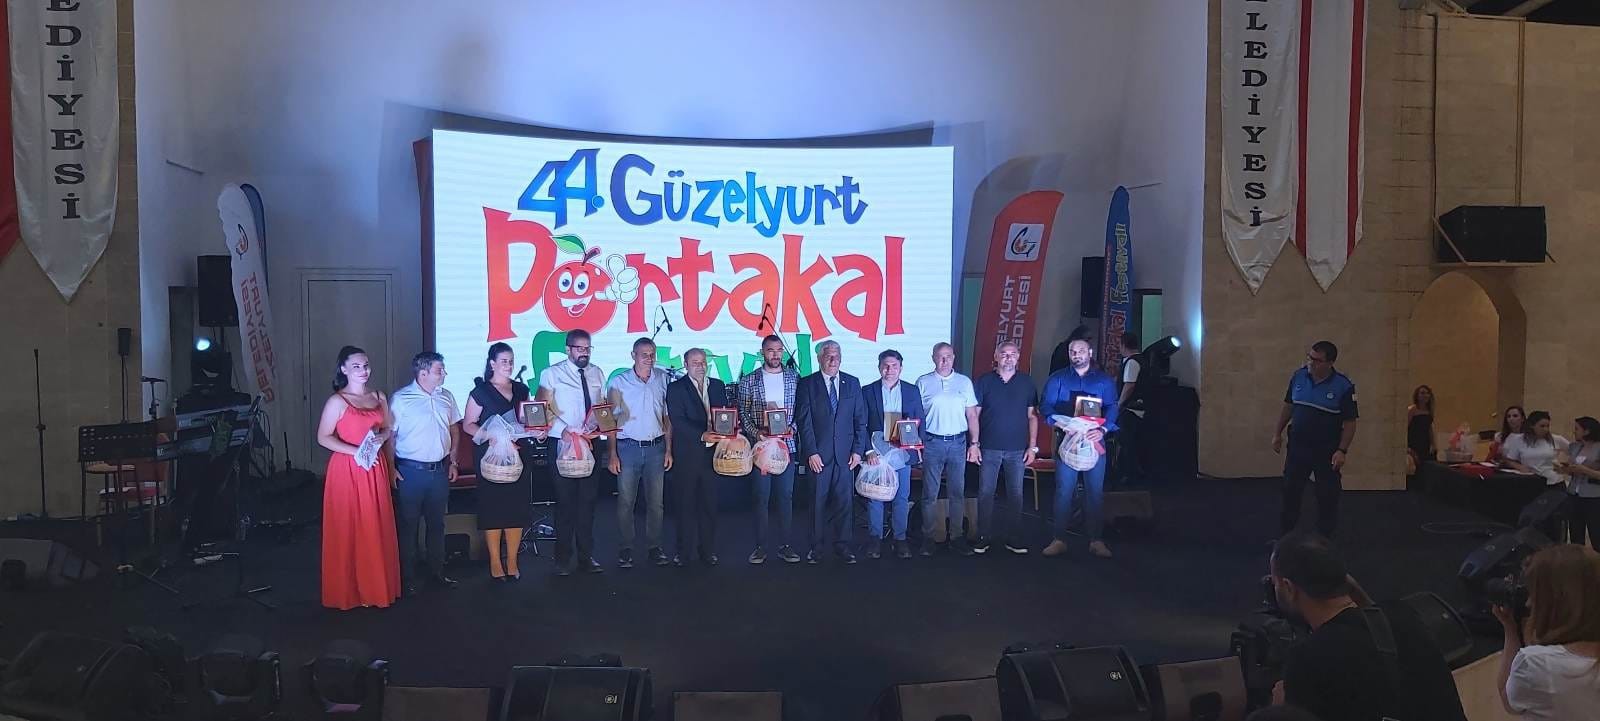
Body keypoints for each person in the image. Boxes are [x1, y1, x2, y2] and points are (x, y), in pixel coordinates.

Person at [1270, 532, 1467, 721]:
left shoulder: (1306, 660)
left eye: (1275, 583)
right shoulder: (1403, 615)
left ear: (1288, 588)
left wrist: (1282, 712)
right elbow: (1374, 626)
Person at [316, 346, 402, 610]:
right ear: (343, 369)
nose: (363, 371)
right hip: (347, 468)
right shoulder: (337, 401)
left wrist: (380, 442)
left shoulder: (378, 396)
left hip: (374, 466)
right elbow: (323, 437)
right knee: (349, 526)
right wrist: (357, 451)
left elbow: (387, 429)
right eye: (356, 366)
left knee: (374, 524)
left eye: (365, 366)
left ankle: (374, 588)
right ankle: (349, 591)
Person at [1494, 544, 1600, 720]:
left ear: (1554, 601)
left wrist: (1510, 629)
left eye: (1534, 594)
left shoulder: (1535, 664)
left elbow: (1509, 702)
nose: (1528, 603)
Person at [537, 329, 608, 576]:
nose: (584, 353)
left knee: (588, 502)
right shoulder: (552, 374)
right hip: (562, 443)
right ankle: (562, 559)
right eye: (579, 348)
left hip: (590, 442)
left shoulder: (597, 372)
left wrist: (604, 424)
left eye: (588, 348)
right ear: (568, 349)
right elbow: (541, 408)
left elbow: (601, 405)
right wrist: (562, 430)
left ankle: (586, 557)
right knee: (565, 502)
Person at [389, 351, 460, 596]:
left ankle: (436, 572)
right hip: (410, 471)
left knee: (437, 524)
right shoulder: (401, 399)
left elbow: (454, 429)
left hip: (439, 470)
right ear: (423, 373)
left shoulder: (446, 396)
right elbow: (390, 436)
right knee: (409, 525)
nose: (445, 373)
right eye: (440, 370)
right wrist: (391, 468)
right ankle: (407, 578)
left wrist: (453, 460)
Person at [1040, 337, 1119, 558]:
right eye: (1073, 351)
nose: (1077, 355)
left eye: (1081, 350)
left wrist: (1104, 429)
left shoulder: (1103, 380)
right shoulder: (1057, 378)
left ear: (1090, 352)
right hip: (1067, 440)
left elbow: (1112, 406)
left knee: (1095, 492)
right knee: (1064, 491)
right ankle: (1059, 539)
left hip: (1095, 440)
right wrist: (1059, 422)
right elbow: (1046, 406)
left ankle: (1096, 540)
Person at [1271, 341, 1358, 538]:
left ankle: (1324, 538)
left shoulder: (1343, 386)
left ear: (1330, 362)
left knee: (1327, 494)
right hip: (1298, 447)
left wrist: (1342, 450)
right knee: (1290, 490)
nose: (1311, 363)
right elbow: (1288, 407)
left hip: (1326, 449)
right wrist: (1277, 433)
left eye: (1317, 360)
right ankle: (1285, 535)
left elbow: (1350, 422)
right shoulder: (1299, 376)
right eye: (1310, 357)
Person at [462, 342, 533, 582]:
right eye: (504, 361)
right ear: (492, 363)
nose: (509, 365)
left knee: (516, 509)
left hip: (518, 455)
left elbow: (526, 419)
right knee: (493, 509)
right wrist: (489, 435)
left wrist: (536, 429)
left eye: (511, 361)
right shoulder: (480, 392)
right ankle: (495, 561)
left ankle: (512, 560)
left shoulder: (521, 389)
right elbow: (468, 424)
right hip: (490, 456)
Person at [795, 340, 868, 564]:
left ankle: (843, 546)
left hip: (846, 457)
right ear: (819, 358)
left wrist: (858, 451)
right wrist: (811, 452)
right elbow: (804, 422)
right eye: (828, 355)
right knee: (817, 503)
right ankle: (816, 548)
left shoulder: (852, 383)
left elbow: (860, 419)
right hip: (819, 456)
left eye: (836, 355)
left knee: (845, 503)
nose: (833, 360)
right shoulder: (807, 384)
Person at [605, 337, 672, 568]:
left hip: (656, 447)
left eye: (652, 354)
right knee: (626, 502)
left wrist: (669, 450)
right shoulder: (619, 382)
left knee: (656, 503)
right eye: (644, 354)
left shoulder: (663, 378)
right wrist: (612, 453)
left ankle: (655, 547)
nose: (649, 358)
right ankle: (626, 548)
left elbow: (667, 417)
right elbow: (610, 421)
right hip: (627, 448)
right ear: (633, 355)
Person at [737, 335, 803, 565]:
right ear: (762, 352)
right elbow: (743, 412)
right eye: (770, 350)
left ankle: (786, 546)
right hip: (761, 447)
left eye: (779, 350)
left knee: (785, 496)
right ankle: (760, 547)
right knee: (761, 497)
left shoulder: (794, 378)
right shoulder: (749, 380)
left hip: (787, 446)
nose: (775, 355)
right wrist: (756, 433)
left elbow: (801, 411)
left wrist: (793, 428)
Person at [914, 342, 981, 556]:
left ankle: (957, 537)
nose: (945, 361)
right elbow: (915, 417)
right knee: (929, 494)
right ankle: (928, 538)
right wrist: (916, 445)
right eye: (940, 357)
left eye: (949, 356)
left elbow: (972, 415)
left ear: (954, 358)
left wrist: (975, 443)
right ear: (933, 358)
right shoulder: (923, 382)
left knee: (957, 493)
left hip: (958, 443)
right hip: (932, 443)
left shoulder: (964, 382)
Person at [972, 341, 1038, 555]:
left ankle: (1014, 537)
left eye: (1012, 354)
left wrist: (1032, 447)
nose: (1008, 357)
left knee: (1016, 494)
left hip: (1017, 449)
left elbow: (1032, 417)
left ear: (1018, 356)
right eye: (1004, 353)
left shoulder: (1027, 382)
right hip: (989, 448)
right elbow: (974, 415)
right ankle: (983, 536)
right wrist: (975, 444)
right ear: (996, 356)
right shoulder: (984, 381)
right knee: (985, 493)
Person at [862, 349, 923, 560]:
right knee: (875, 497)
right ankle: (875, 539)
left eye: (894, 366)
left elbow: (919, 420)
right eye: (885, 366)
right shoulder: (867, 391)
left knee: (902, 497)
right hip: (877, 454)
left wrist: (917, 448)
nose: (889, 370)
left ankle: (900, 539)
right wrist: (868, 450)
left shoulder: (912, 391)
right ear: (879, 367)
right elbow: (860, 424)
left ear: (901, 368)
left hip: (902, 453)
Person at [665, 348, 725, 566]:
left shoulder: (718, 385)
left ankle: (707, 551)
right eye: (695, 362)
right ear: (686, 364)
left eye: (703, 362)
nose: (700, 366)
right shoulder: (675, 388)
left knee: (709, 506)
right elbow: (677, 420)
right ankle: (683, 552)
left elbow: (725, 415)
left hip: (713, 455)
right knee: (685, 506)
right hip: (688, 455)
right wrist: (702, 434)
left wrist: (728, 431)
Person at [1557, 417, 1600, 549]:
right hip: (1573, 494)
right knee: (1575, 534)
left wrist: (1584, 470)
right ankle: (1578, 559)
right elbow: (1572, 468)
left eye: (1577, 429)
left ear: (1587, 431)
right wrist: (1565, 469)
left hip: (1594, 496)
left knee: (1596, 533)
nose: (1574, 432)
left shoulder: (1598, 447)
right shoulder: (1574, 447)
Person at [1113, 332, 1147, 484]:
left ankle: (1129, 475)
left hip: (1130, 410)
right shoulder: (1143, 360)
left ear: (1123, 345)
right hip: (1139, 409)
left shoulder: (1132, 362)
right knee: (1130, 442)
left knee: (1127, 443)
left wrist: (1119, 405)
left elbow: (1129, 385)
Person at [1407, 385, 1436, 473]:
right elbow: (1405, 428)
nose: (1425, 395)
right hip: (1414, 444)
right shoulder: (1412, 410)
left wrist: (1433, 444)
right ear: (1417, 395)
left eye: (1427, 393)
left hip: (1425, 443)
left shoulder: (1429, 410)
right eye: (1422, 393)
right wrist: (1407, 447)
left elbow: (1429, 428)